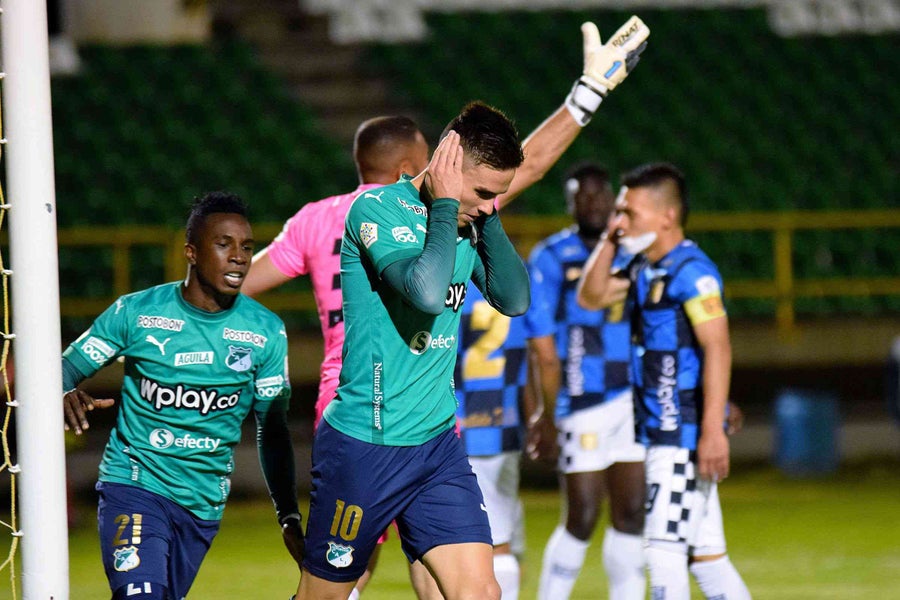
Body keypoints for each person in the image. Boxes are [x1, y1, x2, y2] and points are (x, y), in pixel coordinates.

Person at [255, 14, 650, 599]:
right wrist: (446, 208)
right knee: (330, 594)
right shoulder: (374, 212)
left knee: (479, 592)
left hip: (437, 445)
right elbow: (424, 290)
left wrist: (486, 214)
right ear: (441, 160)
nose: (490, 204)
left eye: (498, 195)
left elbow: (515, 298)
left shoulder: (471, 218)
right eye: (484, 193)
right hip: (367, 443)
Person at [61, 192, 302, 600]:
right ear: (191, 252)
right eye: (223, 244)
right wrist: (64, 388)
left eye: (247, 247)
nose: (239, 257)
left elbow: (273, 428)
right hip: (134, 483)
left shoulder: (265, 331)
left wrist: (288, 515)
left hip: (201, 503)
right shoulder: (137, 312)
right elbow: (65, 367)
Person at [576, 163, 751, 600]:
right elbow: (591, 296)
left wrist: (711, 431)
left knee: (663, 553)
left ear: (667, 216)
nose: (620, 221)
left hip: (680, 433)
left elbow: (718, 346)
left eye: (629, 213)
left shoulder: (692, 271)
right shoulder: (644, 267)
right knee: (708, 561)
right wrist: (610, 238)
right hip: (663, 430)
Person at [526, 163, 647, 600]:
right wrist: (543, 411)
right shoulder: (550, 256)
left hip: (631, 398)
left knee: (632, 514)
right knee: (582, 515)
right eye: (584, 196)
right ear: (569, 203)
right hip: (580, 401)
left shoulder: (634, 253)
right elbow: (539, 344)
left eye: (601, 195)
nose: (594, 203)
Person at [454, 281, 535, 600]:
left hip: (457, 427)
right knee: (499, 537)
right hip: (504, 426)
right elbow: (541, 354)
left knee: (481, 541)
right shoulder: (516, 282)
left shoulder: (451, 282)